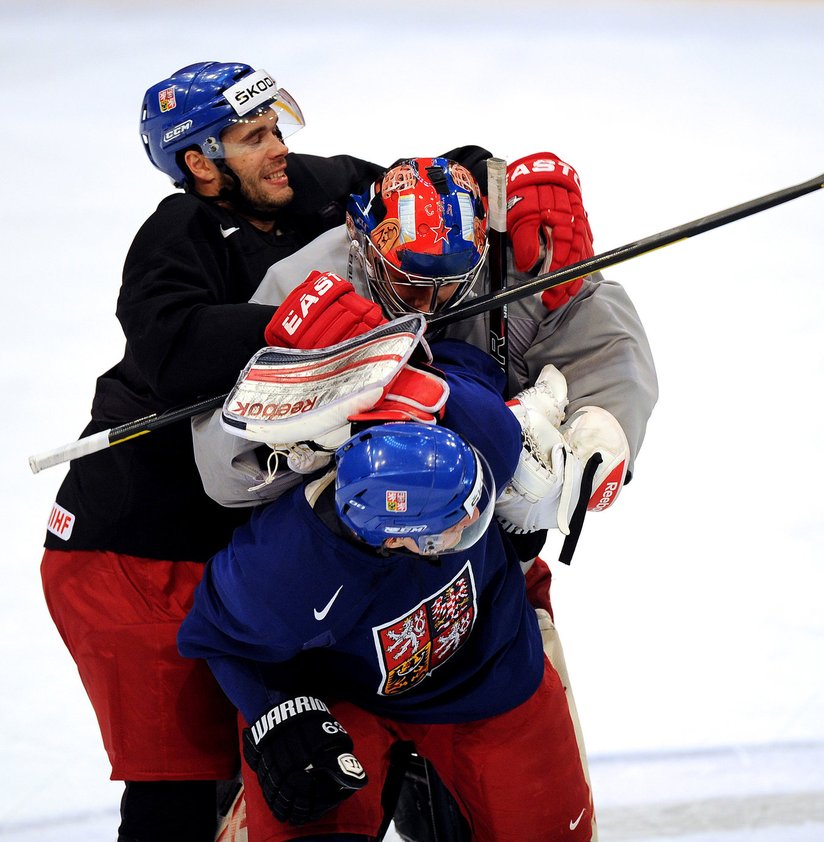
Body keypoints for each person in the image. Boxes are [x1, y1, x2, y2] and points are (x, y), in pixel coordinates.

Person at [38, 61, 589, 841]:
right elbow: (165, 343)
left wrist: (512, 181)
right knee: (187, 795)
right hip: (140, 555)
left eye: (277, 128)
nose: (279, 151)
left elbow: (420, 185)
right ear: (199, 163)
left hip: (263, 536)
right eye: (253, 137)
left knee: (365, 746)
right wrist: (280, 321)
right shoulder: (178, 234)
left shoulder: (313, 186)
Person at [191, 155, 656, 838]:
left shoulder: (487, 420)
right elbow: (221, 477)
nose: (437, 307)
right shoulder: (293, 562)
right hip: (334, 674)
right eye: (413, 287)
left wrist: (603, 415)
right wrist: (274, 713)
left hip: (488, 656)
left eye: (453, 287)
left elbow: (577, 316)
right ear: (364, 246)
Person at [178, 340, 597, 841]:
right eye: (446, 531)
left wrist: (540, 416)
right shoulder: (287, 572)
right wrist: (274, 712)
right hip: (346, 696)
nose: (471, 526)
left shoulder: (482, 427)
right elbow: (213, 635)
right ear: (393, 536)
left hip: (490, 666)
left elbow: (467, 363)